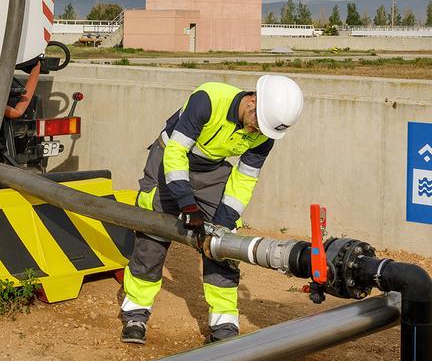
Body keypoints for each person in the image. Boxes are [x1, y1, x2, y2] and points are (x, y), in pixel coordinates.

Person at [119, 75, 304, 345]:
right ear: (252, 101)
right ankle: (135, 313)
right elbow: (176, 152)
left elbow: (245, 179)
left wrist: (224, 222)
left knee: (224, 244)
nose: (257, 132)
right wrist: (187, 203)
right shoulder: (208, 99)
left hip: (212, 169)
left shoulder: (265, 134)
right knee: (153, 235)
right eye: (257, 124)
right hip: (168, 157)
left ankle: (223, 323)